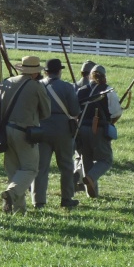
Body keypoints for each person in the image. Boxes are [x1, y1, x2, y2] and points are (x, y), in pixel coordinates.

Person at [0, 55, 51, 215]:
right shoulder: (37, 87)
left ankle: (18, 210)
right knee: (30, 169)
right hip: (25, 133)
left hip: (4, 132)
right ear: (36, 72)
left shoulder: (6, 83)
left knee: (14, 171)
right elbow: (46, 113)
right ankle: (11, 194)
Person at [30, 59, 81, 209]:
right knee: (66, 166)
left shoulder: (37, 86)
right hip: (62, 130)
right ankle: (66, 198)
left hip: (41, 128)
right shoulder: (67, 87)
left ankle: (38, 201)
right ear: (59, 71)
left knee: (41, 167)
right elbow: (74, 111)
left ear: (45, 72)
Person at [75, 65, 122, 198]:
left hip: (81, 129)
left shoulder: (81, 90)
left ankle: (92, 193)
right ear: (104, 76)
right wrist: (110, 121)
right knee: (106, 160)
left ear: (90, 76)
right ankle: (91, 177)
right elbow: (116, 112)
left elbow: (75, 111)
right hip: (99, 129)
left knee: (86, 159)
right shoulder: (108, 91)